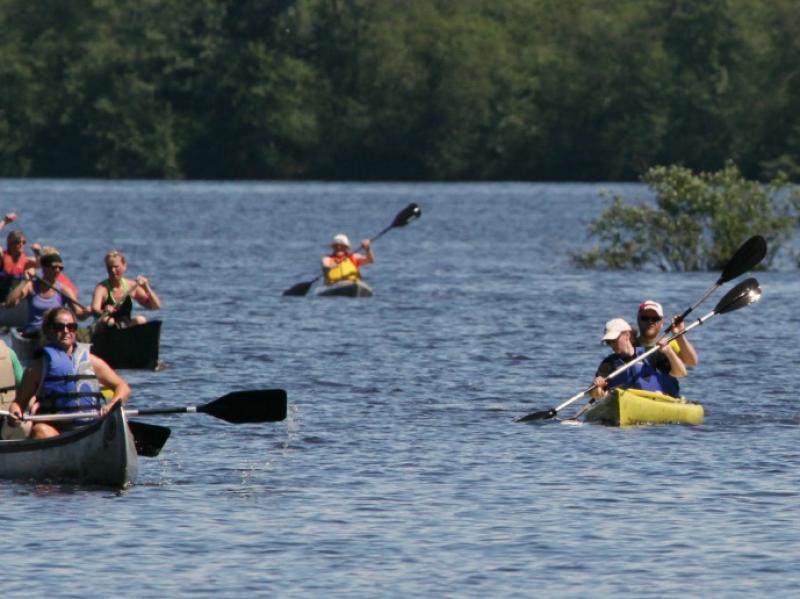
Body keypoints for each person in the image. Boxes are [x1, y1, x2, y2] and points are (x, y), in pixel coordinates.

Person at [6, 307, 130, 439]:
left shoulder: (92, 362)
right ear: (49, 331)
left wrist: (112, 404)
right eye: (59, 327)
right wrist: (15, 413)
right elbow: (19, 402)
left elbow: (122, 387)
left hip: (92, 429)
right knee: (40, 430)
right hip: (55, 432)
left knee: (119, 423)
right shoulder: (37, 368)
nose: (66, 331)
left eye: (71, 326)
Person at [591, 317, 687, 401]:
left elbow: (681, 373)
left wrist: (669, 351)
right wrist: (598, 387)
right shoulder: (608, 363)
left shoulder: (650, 354)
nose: (612, 345)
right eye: (608, 342)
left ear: (627, 335)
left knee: (658, 392)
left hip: (656, 400)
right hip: (624, 402)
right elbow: (595, 394)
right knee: (607, 394)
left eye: (614, 340)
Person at [4, 251, 90, 338]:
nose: (57, 270)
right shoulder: (31, 286)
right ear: (44, 268)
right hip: (33, 333)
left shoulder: (64, 290)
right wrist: (25, 281)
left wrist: (87, 312)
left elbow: (80, 315)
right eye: (54, 267)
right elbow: (9, 303)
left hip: (54, 333)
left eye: (60, 268)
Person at [90, 250, 161, 330]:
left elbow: (155, 306)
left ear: (124, 266)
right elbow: (94, 310)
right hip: (104, 329)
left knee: (141, 320)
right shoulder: (101, 288)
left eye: (116, 267)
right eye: (109, 268)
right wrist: (103, 312)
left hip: (124, 326)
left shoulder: (131, 286)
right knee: (110, 321)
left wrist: (147, 288)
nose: (113, 271)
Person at [635, 300, 699, 367]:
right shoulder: (630, 344)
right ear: (638, 320)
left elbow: (692, 362)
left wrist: (679, 335)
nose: (650, 322)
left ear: (662, 322)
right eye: (645, 318)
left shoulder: (670, 343)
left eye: (655, 319)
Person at [0, 338, 31, 440]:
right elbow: (23, 381)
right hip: (7, 415)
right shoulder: (10, 353)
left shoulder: (10, 353)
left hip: (7, 417)